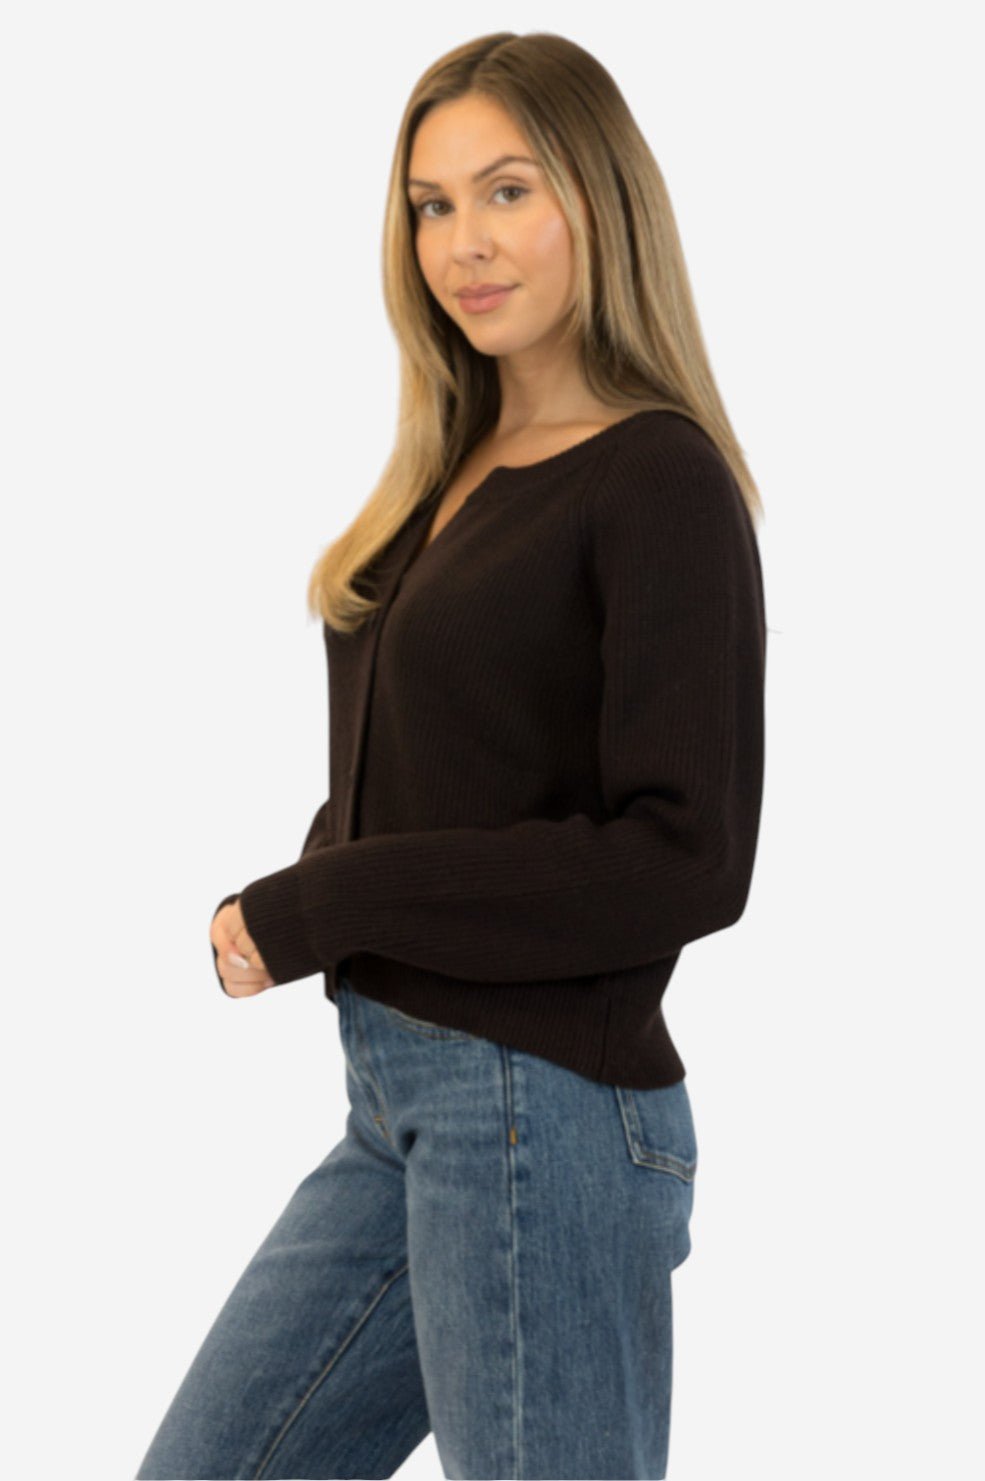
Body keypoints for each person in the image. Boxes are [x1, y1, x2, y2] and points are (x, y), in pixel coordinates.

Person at [136, 29, 766, 1481]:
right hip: (398, 1104)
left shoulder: (653, 476)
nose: (462, 242)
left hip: (540, 1110)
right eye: (431, 204)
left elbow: (684, 858)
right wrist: (320, 877)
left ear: (599, 200)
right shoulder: (448, 472)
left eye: (506, 191)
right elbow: (457, 766)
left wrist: (326, 903)